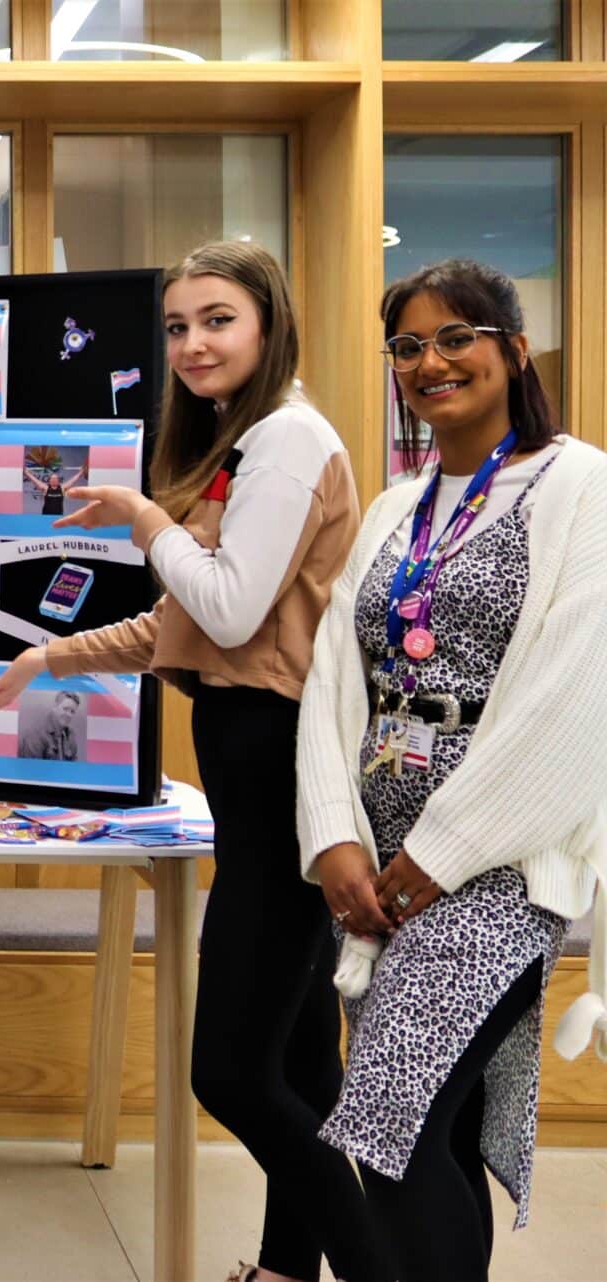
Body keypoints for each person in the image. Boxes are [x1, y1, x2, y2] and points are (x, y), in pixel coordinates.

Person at [0, 240, 386, 1282]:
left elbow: (227, 604)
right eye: (175, 326)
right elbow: (185, 625)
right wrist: (50, 656)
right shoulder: (242, 447)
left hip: (280, 763)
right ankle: (289, 1268)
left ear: (265, 324)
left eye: (216, 319)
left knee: (232, 1075)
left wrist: (144, 518)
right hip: (249, 758)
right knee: (295, 1060)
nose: (192, 343)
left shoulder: (287, 441)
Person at [297, 258, 607, 1282]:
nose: (429, 361)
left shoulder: (581, 486)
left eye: (454, 337)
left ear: (511, 348)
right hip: (375, 863)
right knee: (438, 1129)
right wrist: (333, 836)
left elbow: (573, 698)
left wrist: (437, 853)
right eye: (406, 345)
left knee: (388, 1122)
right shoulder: (397, 506)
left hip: (497, 869)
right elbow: (334, 678)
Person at [18, 690, 83, 761]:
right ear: (54, 707)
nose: (68, 715)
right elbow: (31, 769)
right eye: (65, 709)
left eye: (72, 711)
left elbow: (74, 767)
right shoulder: (35, 734)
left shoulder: (71, 735)